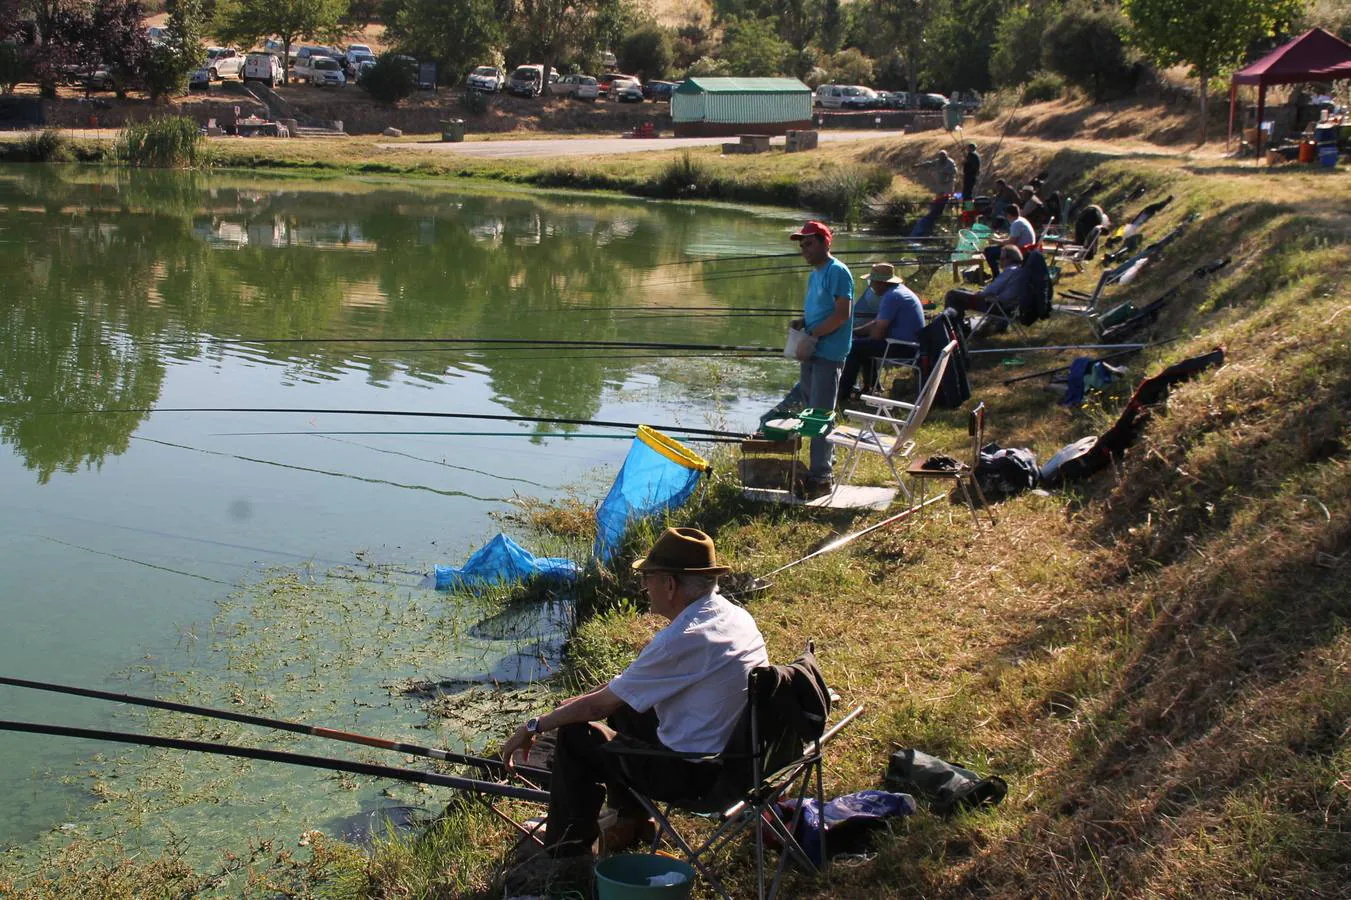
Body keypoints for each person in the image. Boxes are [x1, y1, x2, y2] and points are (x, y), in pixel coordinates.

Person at [499, 527, 767, 873]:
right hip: (739, 760)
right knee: (625, 710)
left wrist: (534, 725)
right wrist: (581, 703)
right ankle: (632, 821)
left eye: (648, 578)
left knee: (578, 736)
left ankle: (567, 855)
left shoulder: (682, 639)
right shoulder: (734, 616)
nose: (645, 588)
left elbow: (599, 708)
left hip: (698, 775)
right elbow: (620, 693)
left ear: (670, 585)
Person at [763, 220, 853, 498]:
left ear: (826, 242)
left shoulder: (837, 271)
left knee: (818, 417)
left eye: (809, 243)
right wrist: (803, 322)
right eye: (801, 244)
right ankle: (825, 460)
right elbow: (823, 309)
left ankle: (821, 478)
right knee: (813, 409)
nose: (804, 248)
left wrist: (812, 334)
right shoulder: (816, 274)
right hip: (812, 349)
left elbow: (842, 314)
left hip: (827, 353)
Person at [838, 263, 926, 407]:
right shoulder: (898, 292)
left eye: (872, 282)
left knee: (854, 348)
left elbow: (877, 334)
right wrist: (854, 332)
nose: (871, 286)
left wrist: (855, 338)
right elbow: (877, 323)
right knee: (862, 344)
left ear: (881, 283)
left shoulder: (891, 297)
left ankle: (843, 394)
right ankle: (871, 387)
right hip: (910, 343)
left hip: (904, 347)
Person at [946, 244, 1026, 318]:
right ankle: (959, 325)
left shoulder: (1010, 271)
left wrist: (978, 293)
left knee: (953, 294)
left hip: (995, 306)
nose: (999, 261)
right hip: (1008, 307)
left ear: (1010, 259)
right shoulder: (1019, 270)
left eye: (1002, 259)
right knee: (961, 291)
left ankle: (952, 325)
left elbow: (990, 291)